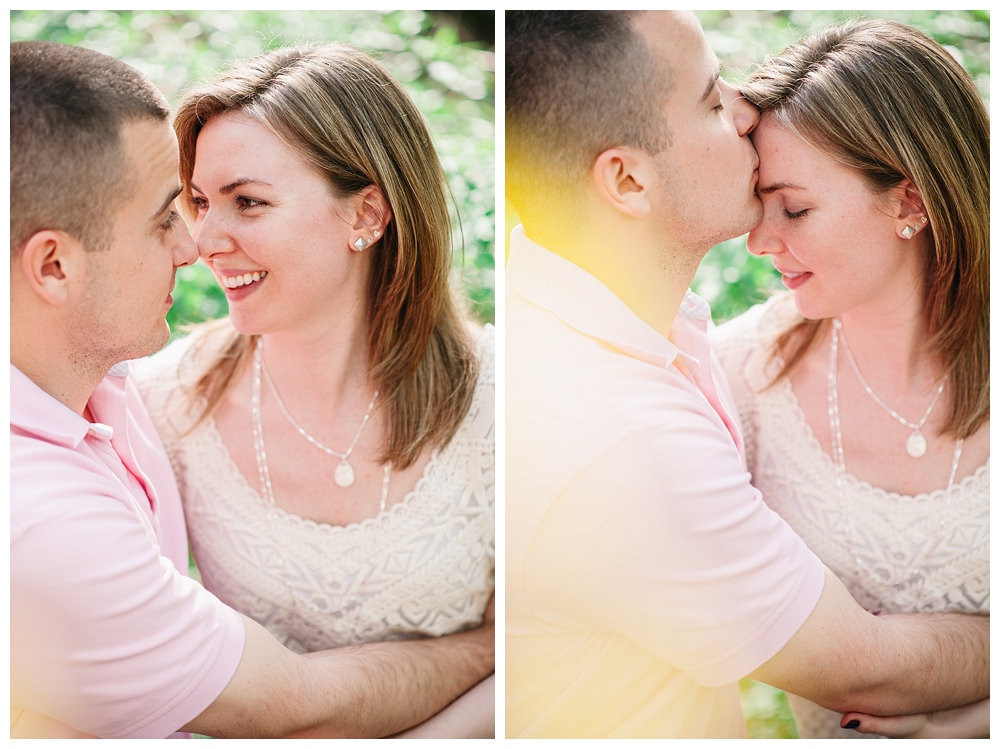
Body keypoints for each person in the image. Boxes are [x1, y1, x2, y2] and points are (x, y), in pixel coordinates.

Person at [504, 10, 988, 739]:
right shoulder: (645, 422)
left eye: (795, 206)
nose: (743, 109)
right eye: (710, 97)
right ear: (627, 179)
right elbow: (864, 668)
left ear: (911, 199)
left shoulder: (663, 344)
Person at [10, 39, 494, 739]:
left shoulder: (107, 398)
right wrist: (491, 646)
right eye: (195, 203)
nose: (201, 241)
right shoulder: (161, 402)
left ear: (367, 215)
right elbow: (284, 698)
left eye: (248, 202)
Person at [711, 18, 989, 739]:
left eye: (795, 207)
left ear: (911, 202)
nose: (761, 240)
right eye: (758, 200)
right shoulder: (739, 375)